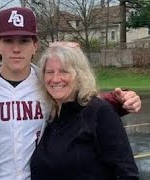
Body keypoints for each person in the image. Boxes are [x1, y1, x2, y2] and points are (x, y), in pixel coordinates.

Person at [0, 7, 141, 180]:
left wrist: (118, 101)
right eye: (8, 41)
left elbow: (80, 105)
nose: (16, 49)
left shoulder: (42, 81)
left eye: (24, 41)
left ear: (35, 46)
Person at [30, 41, 139, 179]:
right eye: (49, 72)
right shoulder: (50, 116)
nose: (55, 79)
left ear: (79, 75)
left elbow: (127, 174)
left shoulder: (100, 112)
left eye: (64, 71)